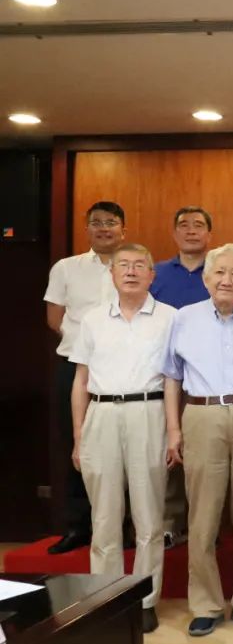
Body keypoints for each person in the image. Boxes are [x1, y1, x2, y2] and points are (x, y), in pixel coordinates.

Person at [163, 243, 233, 637]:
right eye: (220, 272)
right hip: (201, 415)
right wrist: (174, 430)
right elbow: (171, 377)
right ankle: (206, 604)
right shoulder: (183, 319)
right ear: (206, 278)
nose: (227, 280)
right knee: (203, 516)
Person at [70, 243, 176, 634]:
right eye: (123, 265)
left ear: (152, 275)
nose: (130, 271)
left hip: (149, 412)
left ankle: (146, 600)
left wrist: (174, 431)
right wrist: (79, 435)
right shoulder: (92, 319)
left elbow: (173, 380)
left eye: (139, 266)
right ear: (112, 274)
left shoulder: (170, 318)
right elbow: (80, 380)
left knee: (149, 518)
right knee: (104, 518)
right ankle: (106, 599)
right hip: (101, 413)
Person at [43, 201, 124, 554]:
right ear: (87, 228)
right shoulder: (66, 268)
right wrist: (87, 348)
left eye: (111, 222)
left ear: (123, 229)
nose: (104, 228)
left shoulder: (133, 265)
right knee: (78, 445)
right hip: (75, 366)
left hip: (123, 371)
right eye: (97, 223)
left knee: (123, 446)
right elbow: (54, 318)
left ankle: (123, 525)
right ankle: (79, 525)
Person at [150, 205, 213, 550]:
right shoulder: (157, 274)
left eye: (198, 225)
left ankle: (205, 528)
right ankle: (170, 523)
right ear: (174, 233)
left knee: (206, 459)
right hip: (166, 376)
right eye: (184, 225)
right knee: (171, 453)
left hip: (207, 380)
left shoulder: (217, 271)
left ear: (209, 234)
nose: (191, 231)